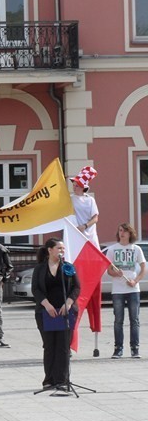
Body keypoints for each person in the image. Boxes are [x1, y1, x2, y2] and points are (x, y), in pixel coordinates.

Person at [31, 238, 80, 389]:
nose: (62, 251)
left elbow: (76, 287)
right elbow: (35, 289)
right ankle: (49, 379)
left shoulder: (68, 267)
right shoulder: (40, 269)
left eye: (63, 249)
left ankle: (62, 380)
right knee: (50, 345)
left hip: (65, 311)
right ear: (50, 250)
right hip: (46, 312)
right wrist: (46, 304)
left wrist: (69, 302)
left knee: (63, 346)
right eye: (59, 248)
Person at [70, 166, 102, 334]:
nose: (74, 186)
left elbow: (95, 217)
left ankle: (95, 322)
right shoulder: (70, 199)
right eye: (74, 183)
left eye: (77, 183)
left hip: (89, 238)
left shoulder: (90, 200)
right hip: (76, 241)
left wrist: (85, 226)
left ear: (83, 185)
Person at [106, 223, 144, 359]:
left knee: (134, 320)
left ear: (130, 233)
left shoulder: (136, 249)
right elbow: (109, 269)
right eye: (120, 230)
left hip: (133, 289)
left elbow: (143, 267)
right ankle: (118, 349)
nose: (122, 233)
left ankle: (135, 348)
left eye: (125, 231)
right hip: (118, 290)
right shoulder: (112, 249)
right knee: (118, 320)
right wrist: (115, 273)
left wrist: (136, 281)